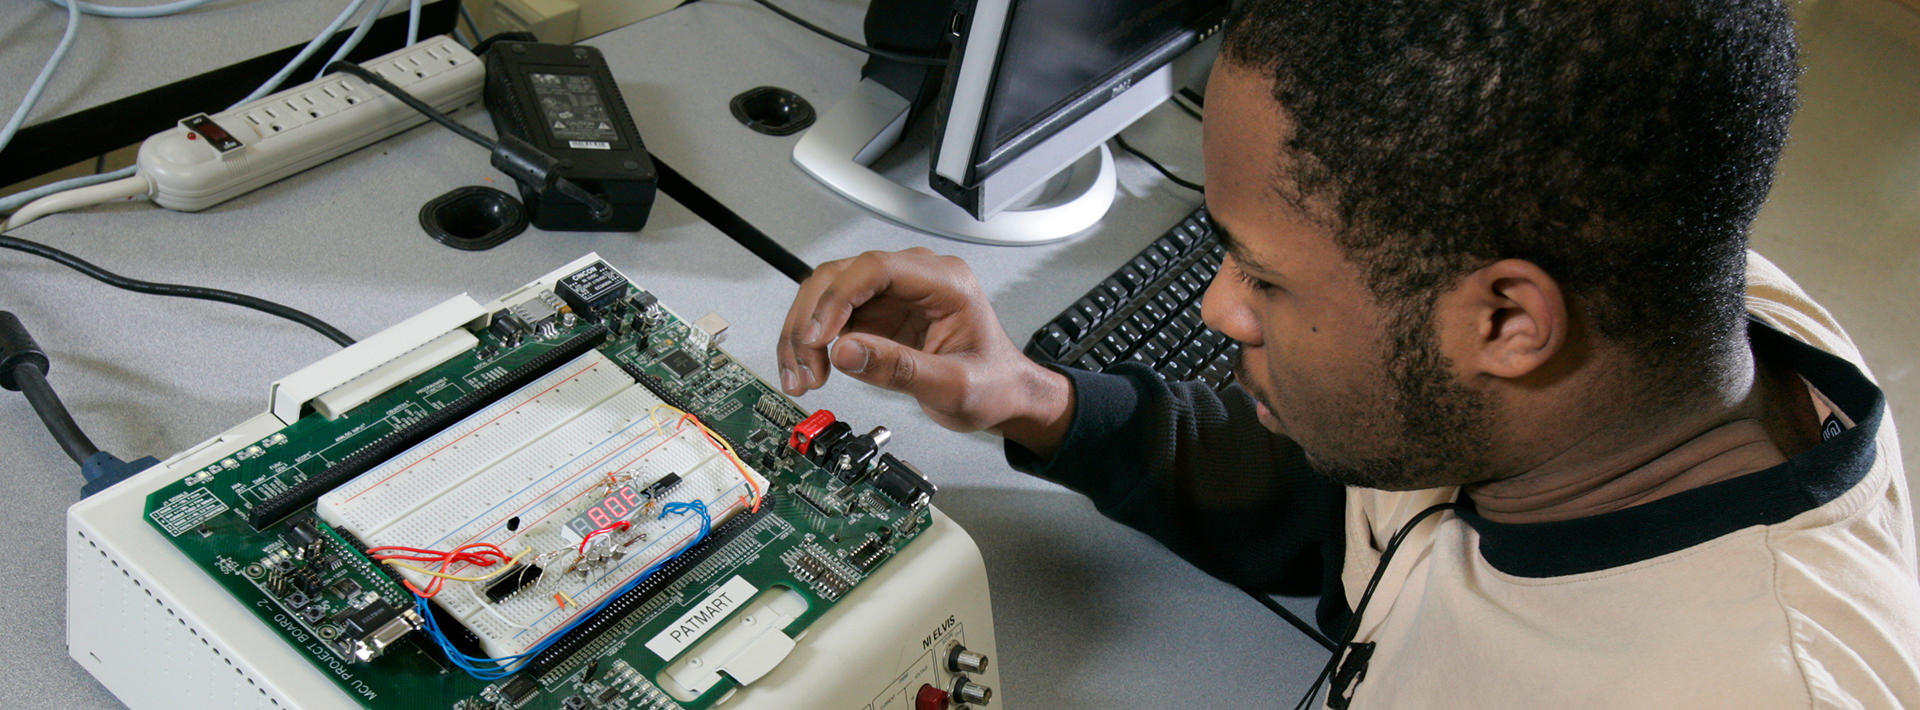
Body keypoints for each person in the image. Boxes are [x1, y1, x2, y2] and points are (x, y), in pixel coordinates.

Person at [776, 0, 1920, 707]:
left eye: (1265, 275)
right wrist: (1040, 398)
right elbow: (1363, 504)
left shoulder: (1755, 685)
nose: (1223, 308)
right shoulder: (1651, 330)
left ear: (1510, 323)